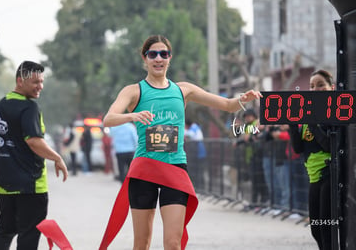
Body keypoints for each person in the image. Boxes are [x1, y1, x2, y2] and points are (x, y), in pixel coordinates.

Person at [98, 35, 262, 250]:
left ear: (169, 58)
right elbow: (108, 119)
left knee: (173, 243)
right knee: (141, 244)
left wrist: (243, 99)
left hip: (174, 168)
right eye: (153, 54)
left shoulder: (183, 89)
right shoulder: (133, 91)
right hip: (145, 169)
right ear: (145, 58)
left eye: (163, 54)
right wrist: (132, 116)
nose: (158, 59)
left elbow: (228, 105)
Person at [0, 61, 68, 250]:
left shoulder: (0, 106)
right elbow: (33, 141)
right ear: (20, 81)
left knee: (5, 230)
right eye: (35, 82)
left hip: (4, 186)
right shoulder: (29, 108)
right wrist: (57, 158)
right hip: (31, 187)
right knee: (28, 236)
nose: (40, 86)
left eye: (41, 81)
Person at [289, 69, 334, 250]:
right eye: (312, 86)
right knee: (316, 229)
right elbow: (298, 148)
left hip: (329, 173)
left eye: (321, 85)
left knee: (327, 228)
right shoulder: (308, 117)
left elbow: (329, 145)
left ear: (331, 87)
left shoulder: (335, 112)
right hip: (313, 177)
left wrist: (313, 122)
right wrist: (292, 124)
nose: (315, 89)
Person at [184, 119, 207, 191]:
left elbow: (188, 135)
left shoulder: (194, 127)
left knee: (199, 170)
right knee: (196, 170)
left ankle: (200, 187)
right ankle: (197, 187)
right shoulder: (193, 128)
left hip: (199, 153)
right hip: (196, 153)